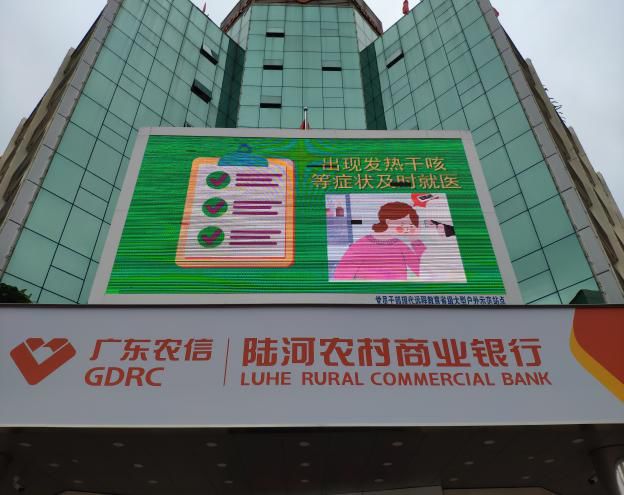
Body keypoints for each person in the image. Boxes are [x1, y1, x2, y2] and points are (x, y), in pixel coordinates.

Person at [333, 202, 426, 281]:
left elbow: (421, 270)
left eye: (409, 225)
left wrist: (415, 240)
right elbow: (342, 275)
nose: (406, 228)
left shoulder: (400, 245)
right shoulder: (362, 245)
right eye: (403, 223)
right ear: (388, 221)